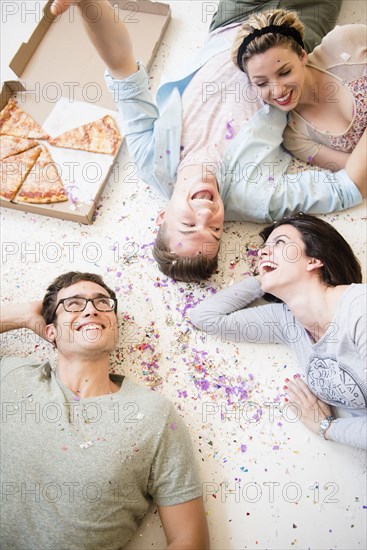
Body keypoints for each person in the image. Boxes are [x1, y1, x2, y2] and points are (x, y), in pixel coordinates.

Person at [50, 0, 365, 282]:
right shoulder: (254, 199)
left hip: (234, 18)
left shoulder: (151, 161)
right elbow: (347, 188)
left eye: (188, 225)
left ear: (163, 216)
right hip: (293, 35)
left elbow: (122, 70)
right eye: (215, 230)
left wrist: (86, 3)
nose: (207, 213)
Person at [0, 272, 209, 549]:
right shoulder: (11, 374)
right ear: (50, 331)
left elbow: (190, 539)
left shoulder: (153, 415)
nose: (91, 309)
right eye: (74, 304)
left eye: (103, 303)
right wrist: (24, 314)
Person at [189, 214, 366, 450]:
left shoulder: (359, 307)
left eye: (280, 243)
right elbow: (205, 317)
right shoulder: (288, 321)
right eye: (263, 248)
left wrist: (326, 427)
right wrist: (264, 278)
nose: (262, 252)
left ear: (314, 260)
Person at [232, 8, 367, 170]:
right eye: (262, 83)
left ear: (302, 55)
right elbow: (358, 175)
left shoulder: (345, 42)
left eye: (284, 72)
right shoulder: (295, 137)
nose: (278, 90)